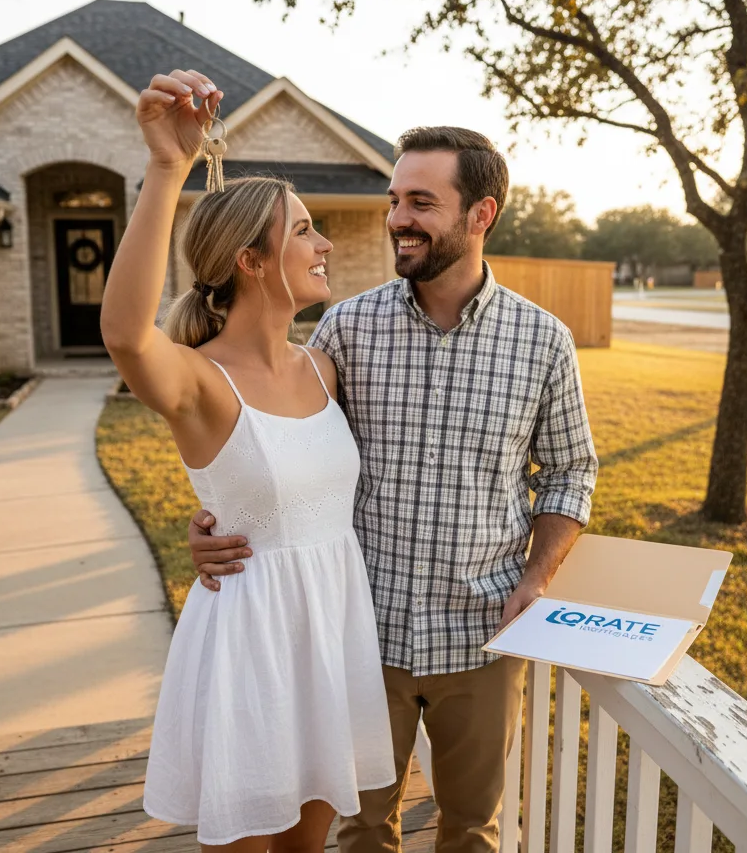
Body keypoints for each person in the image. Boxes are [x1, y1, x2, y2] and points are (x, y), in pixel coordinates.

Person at [190, 127, 598, 853]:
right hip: (357, 632)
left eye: (421, 202)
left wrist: (536, 578)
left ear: (481, 214)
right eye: (393, 200)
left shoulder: (544, 341)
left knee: (471, 830)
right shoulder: (345, 328)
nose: (397, 219)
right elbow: (278, 445)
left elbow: (571, 470)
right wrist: (217, 518)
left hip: (480, 634)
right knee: (362, 828)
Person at [100, 68, 395, 852]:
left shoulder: (323, 366)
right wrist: (167, 167)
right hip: (250, 645)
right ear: (250, 261)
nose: (324, 244)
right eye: (303, 230)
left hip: (330, 635)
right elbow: (126, 335)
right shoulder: (200, 382)